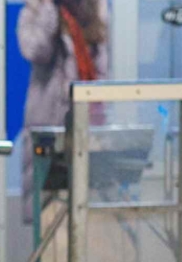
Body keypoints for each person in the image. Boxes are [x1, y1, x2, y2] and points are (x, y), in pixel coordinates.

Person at [17, 0, 109, 222]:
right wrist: (49, 8)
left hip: (89, 130)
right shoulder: (36, 10)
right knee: (50, 218)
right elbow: (35, 50)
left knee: (90, 216)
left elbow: (104, 70)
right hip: (50, 131)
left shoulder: (96, 10)